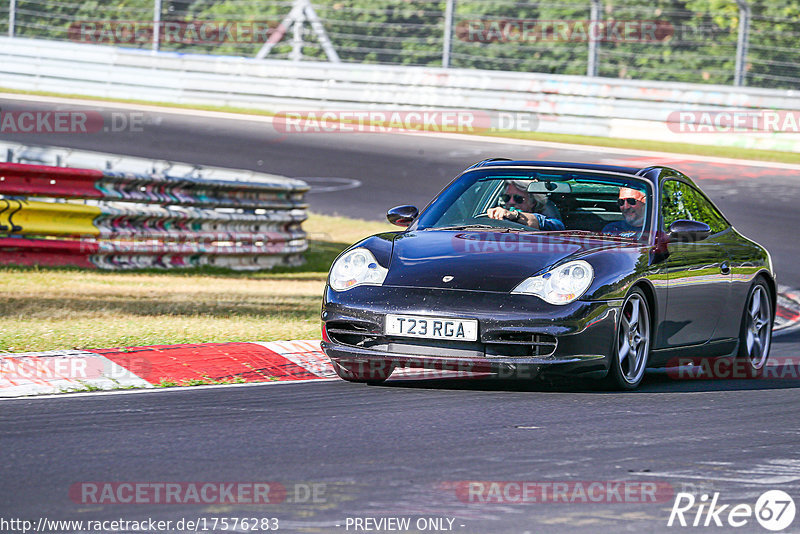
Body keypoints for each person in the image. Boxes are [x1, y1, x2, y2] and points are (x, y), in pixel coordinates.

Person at [486, 180, 565, 231]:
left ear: (533, 202)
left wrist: (516, 215)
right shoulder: (498, 215)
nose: (511, 202)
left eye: (518, 199)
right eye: (506, 198)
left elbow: (558, 226)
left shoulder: (546, 222)